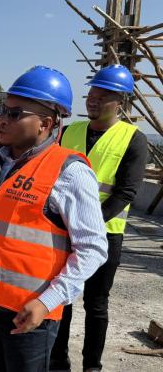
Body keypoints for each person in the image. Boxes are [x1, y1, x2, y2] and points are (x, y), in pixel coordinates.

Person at [0, 66, 109, 371]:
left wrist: (47, 301)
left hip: (27, 316)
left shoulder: (69, 173)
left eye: (15, 114)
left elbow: (93, 249)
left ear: (45, 124)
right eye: (3, 110)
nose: (2, 119)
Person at [51, 64, 149, 372]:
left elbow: (126, 193)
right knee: (60, 299)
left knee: (95, 305)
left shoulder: (133, 139)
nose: (92, 100)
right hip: (61, 231)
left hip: (106, 235)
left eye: (102, 95)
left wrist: (88, 223)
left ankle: (91, 366)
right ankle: (57, 362)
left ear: (119, 101)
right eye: (91, 93)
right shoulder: (69, 132)